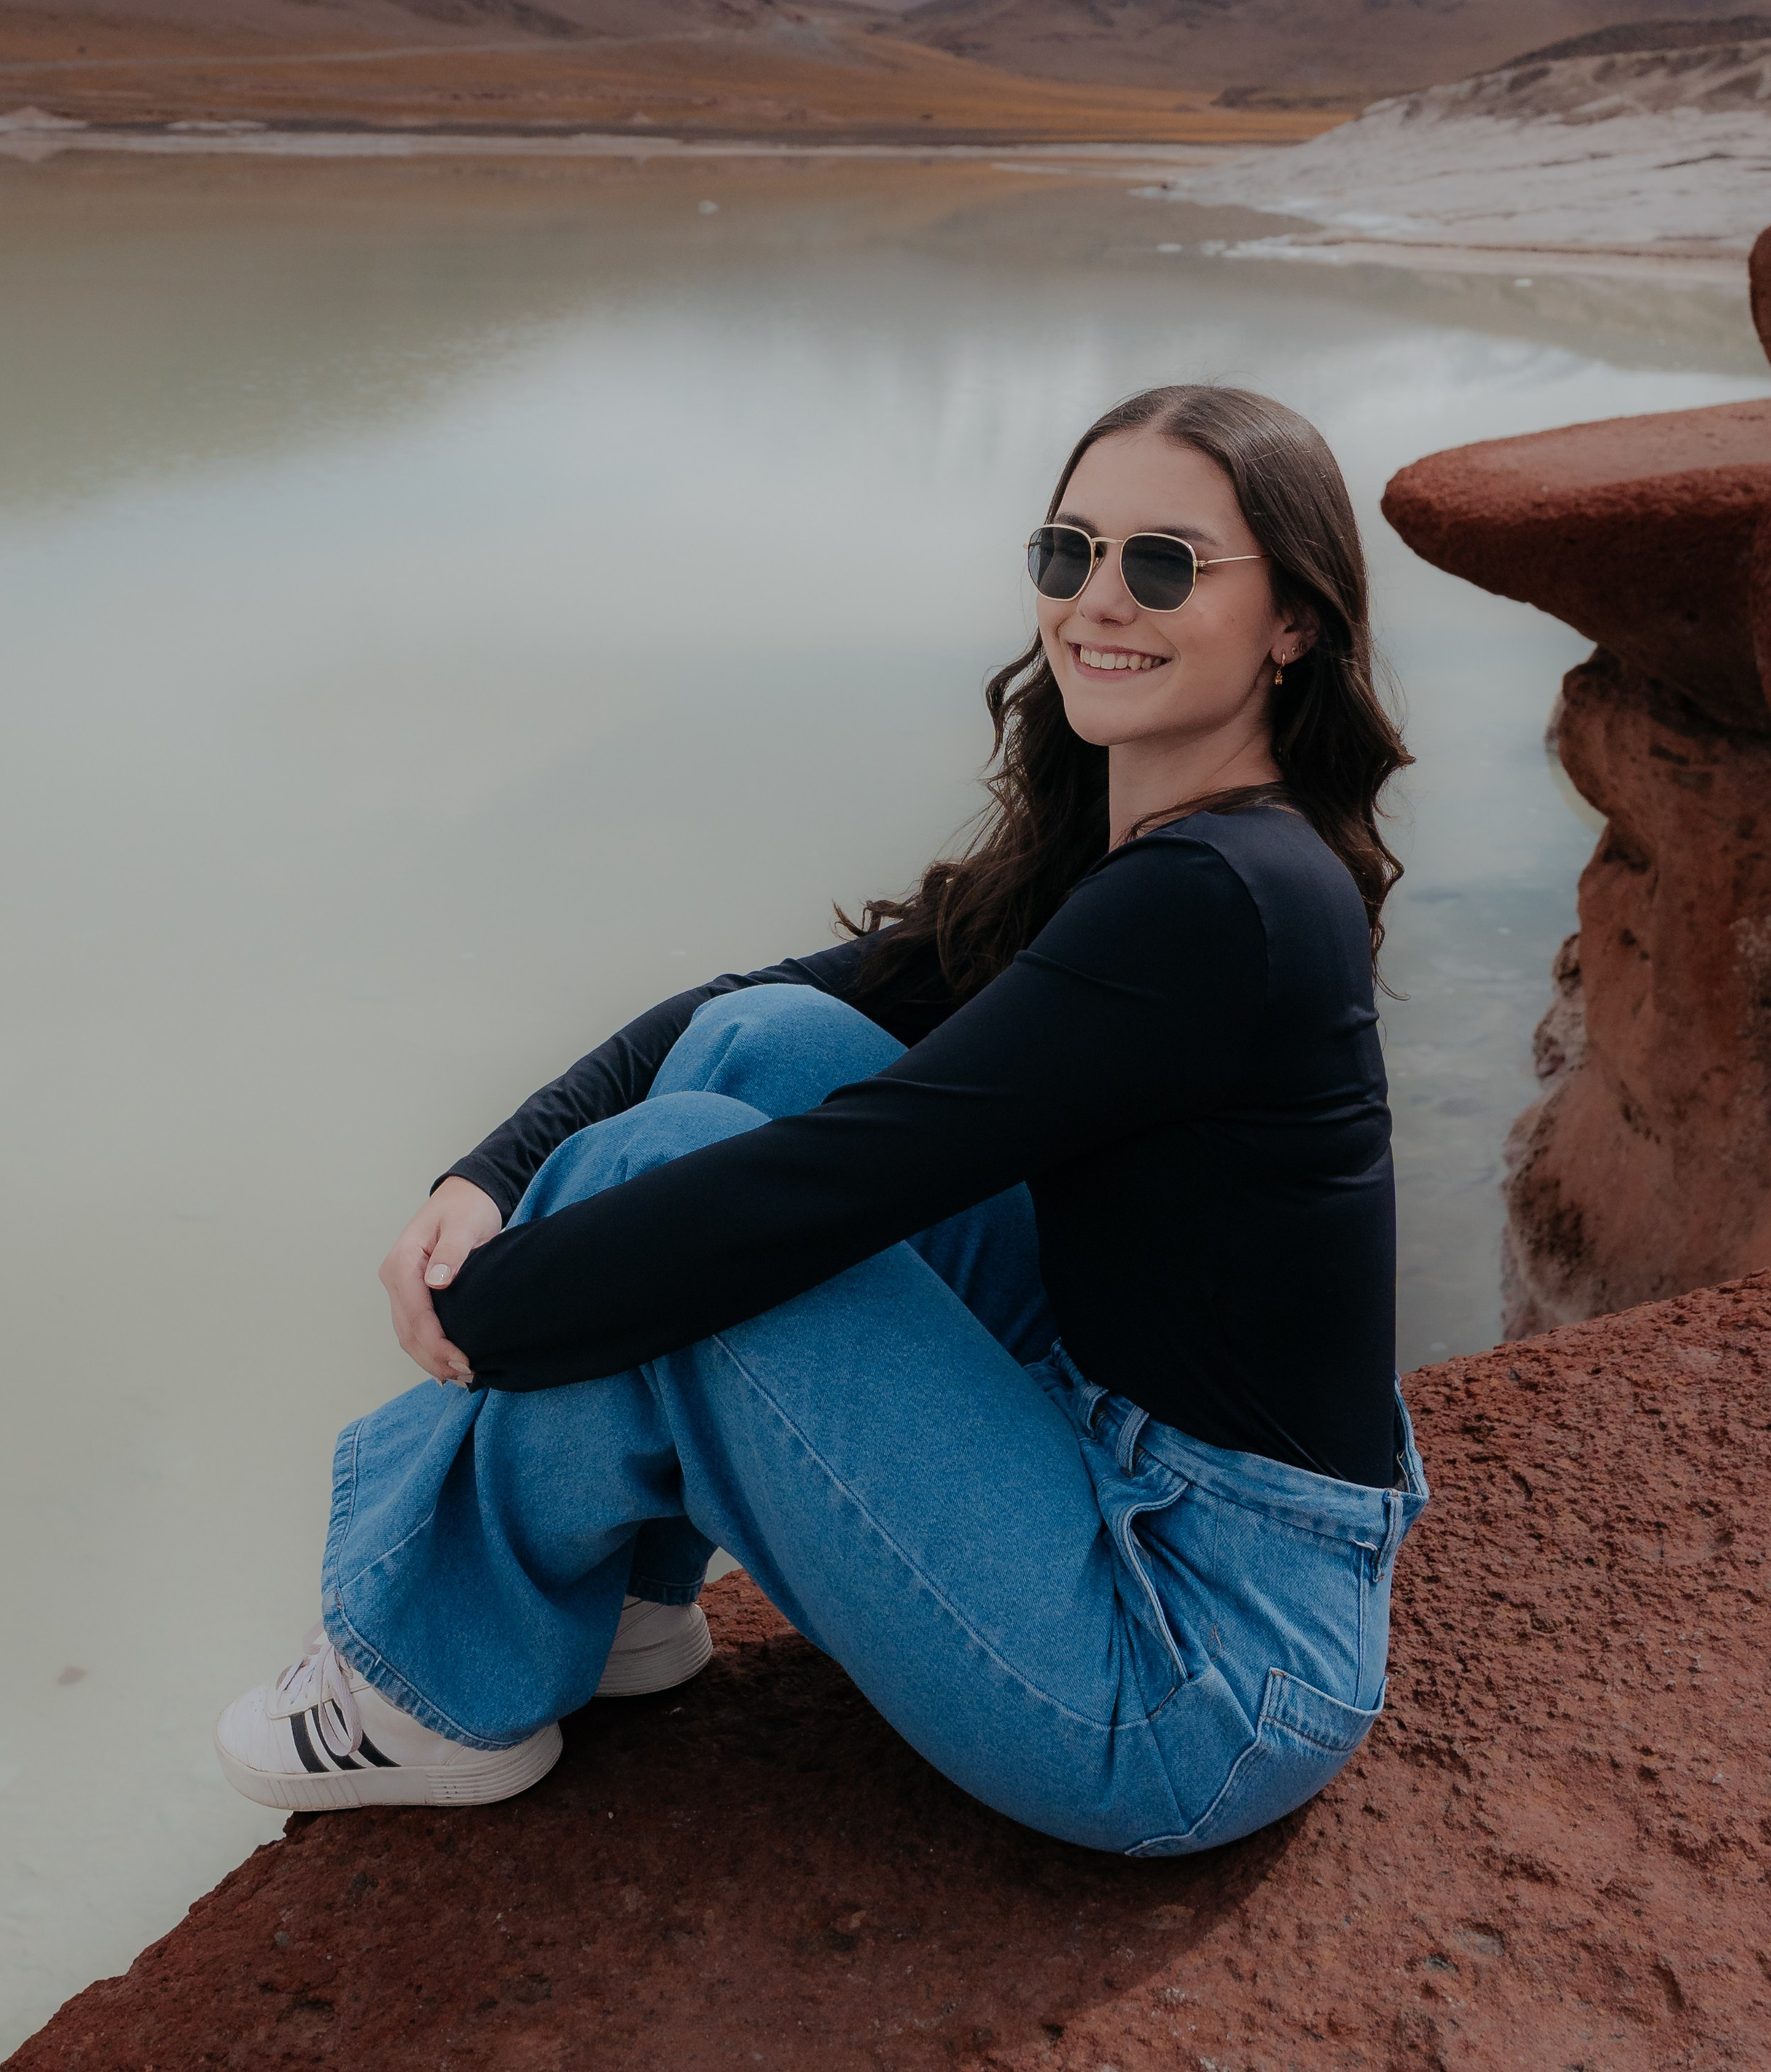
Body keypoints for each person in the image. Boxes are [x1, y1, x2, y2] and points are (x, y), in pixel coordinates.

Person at [214, 382, 1427, 1856]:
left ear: (1290, 621)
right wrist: (493, 1170)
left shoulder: (1211, 901)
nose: (1097, 603)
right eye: (1067, 553)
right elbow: (748, 1005)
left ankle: (417, 1682)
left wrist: (494, 1318)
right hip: (1129, 1469)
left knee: (685, 1186)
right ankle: (629, 1603)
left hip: (1191, 1672)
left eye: (1161, 565)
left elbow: (830, 1189)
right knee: (766, 1044)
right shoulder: (1147, 858)